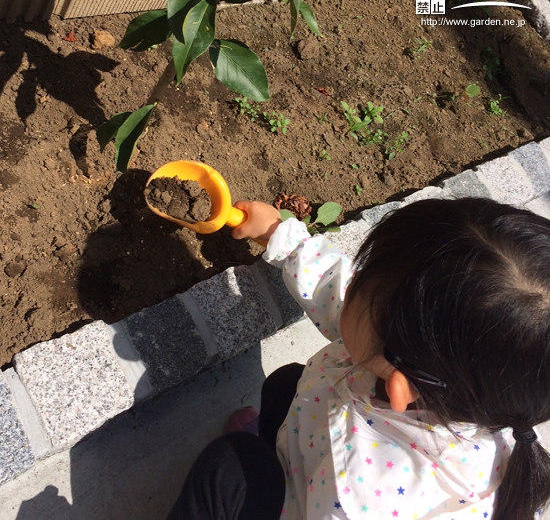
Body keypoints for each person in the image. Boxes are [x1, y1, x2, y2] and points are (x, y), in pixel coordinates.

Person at [167, 197, 550, 520]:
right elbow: (339, 292)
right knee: (286, 383)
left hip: (310, 504)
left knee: (229, 467)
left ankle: (261, 468)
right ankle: (277, 449)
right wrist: (281, 236)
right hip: (320, 444)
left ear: (400, 385)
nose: (354, 284)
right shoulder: (475, 378)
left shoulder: (361, 500)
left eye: (362, 285)